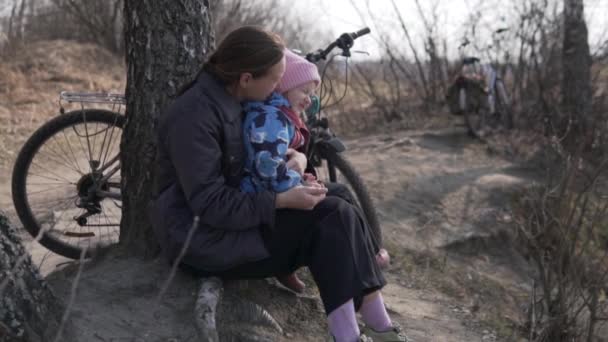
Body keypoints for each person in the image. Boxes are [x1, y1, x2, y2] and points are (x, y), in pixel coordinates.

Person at [150, 26, 406, 342]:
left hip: (236, 222)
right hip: (201, 241)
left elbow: (256, 155)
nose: (278, 89)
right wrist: (281, 201)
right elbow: (210, 204)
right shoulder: (194, 116)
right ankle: (353, 333)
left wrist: (297, 158)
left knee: (335, 194)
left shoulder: (233, 96)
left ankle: (372, 319)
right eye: (274, 80)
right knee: (333, 215)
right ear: (246, 78)